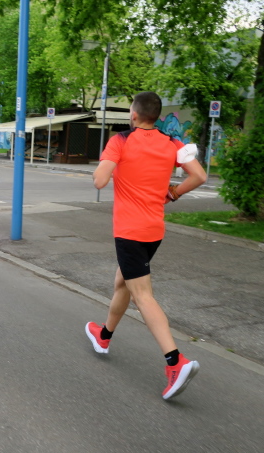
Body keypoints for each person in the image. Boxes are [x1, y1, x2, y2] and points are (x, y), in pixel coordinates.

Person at [87, 91, 207, 400]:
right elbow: (199, 175)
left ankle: (175, 362)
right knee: (123, 283)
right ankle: (103, 336)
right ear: (156, 116)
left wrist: (104, 166)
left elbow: (99, 181)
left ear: (134, 114)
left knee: (142, 295)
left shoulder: (121, 140)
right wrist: (174, 193)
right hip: (154, 231)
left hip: (130, 231)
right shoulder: (171, 142)